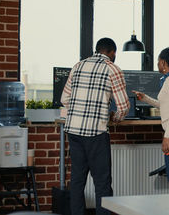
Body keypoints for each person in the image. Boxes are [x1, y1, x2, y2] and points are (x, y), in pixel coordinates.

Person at [61, 37, 130, 215]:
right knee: (102, 183)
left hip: (73, 131)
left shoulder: (78, 66)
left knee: (77, 180)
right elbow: (123, 106)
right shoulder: (113, 69)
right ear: (112, 53)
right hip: (96, 132)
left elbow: (64, 99)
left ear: (97, 50)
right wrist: (115, 119)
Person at [133, 42, 169, 193]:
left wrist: (167, 137)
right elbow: (166, 106)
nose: (157, 64)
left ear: (164, 63)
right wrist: (145, 98)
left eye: (158, 61)